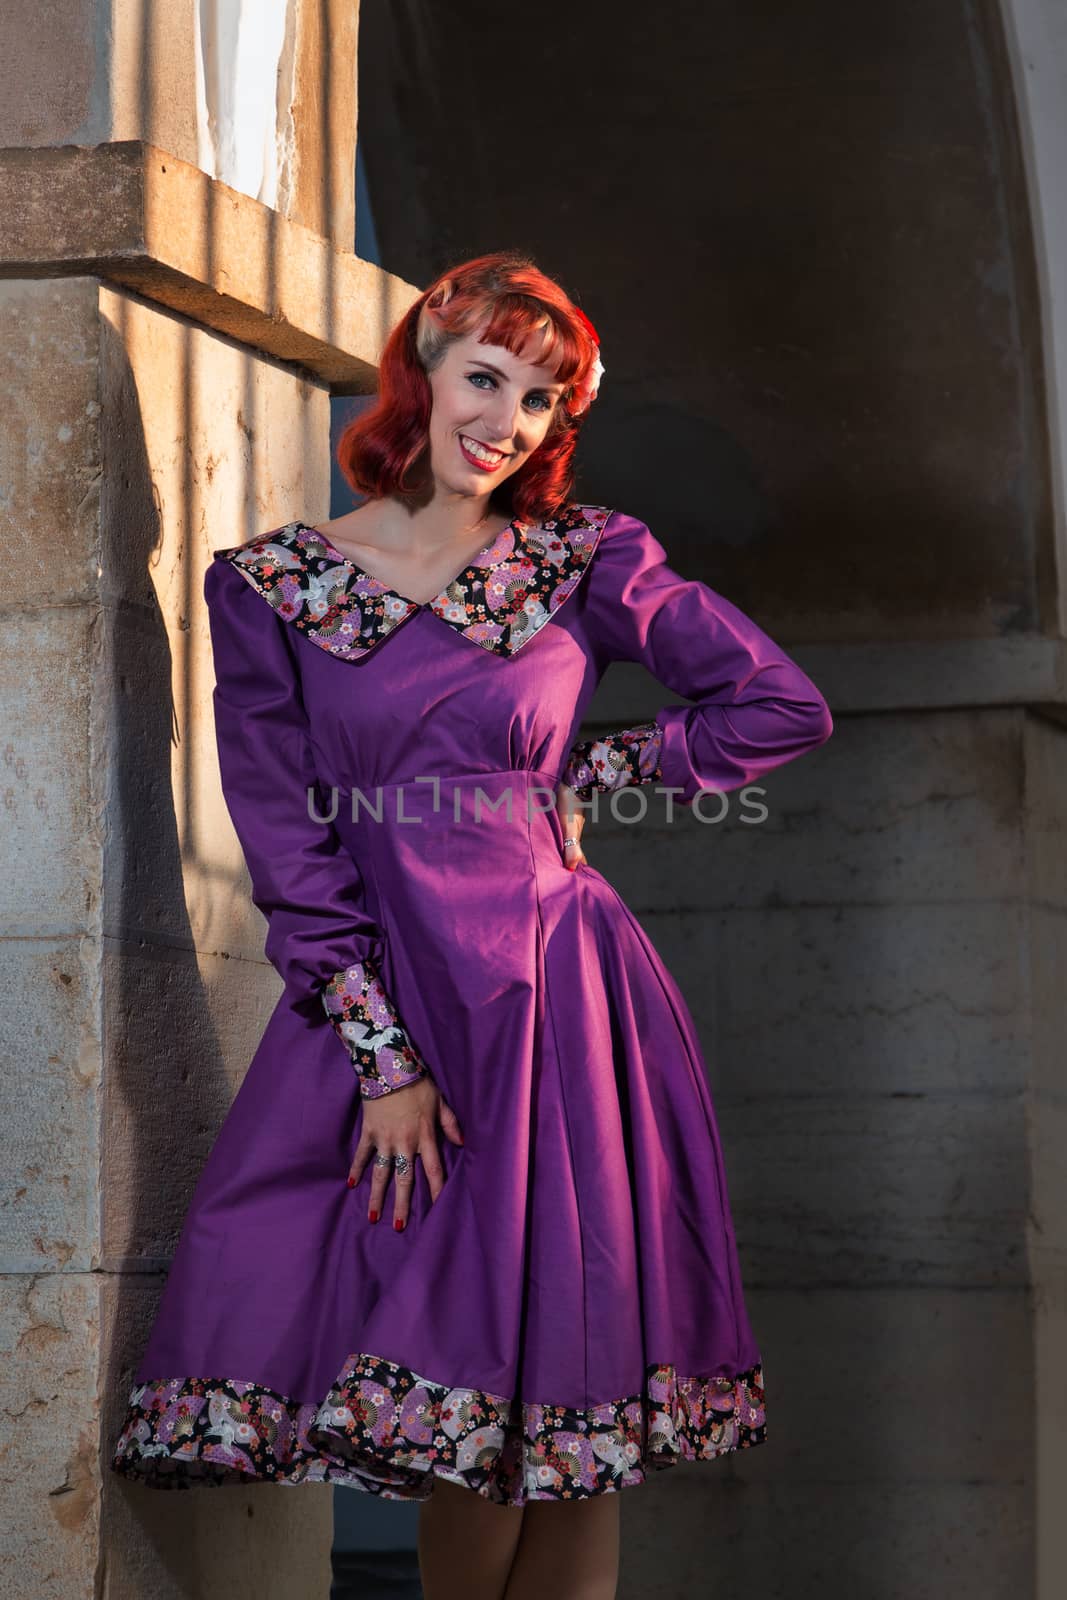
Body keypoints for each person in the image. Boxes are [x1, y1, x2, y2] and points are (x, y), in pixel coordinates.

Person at [109, 251, 833, 1599]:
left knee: (573, 1425)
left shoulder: (583, 559)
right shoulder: (273, 586)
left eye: (543, 400)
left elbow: (777, 704)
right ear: (422, 374)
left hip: (564, 999)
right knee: (454, 1408)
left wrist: (601, 773)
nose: (505, 418)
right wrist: (385, 1066)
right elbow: (290, 843)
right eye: (484, 377)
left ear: (565, 425)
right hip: (392, 1012)